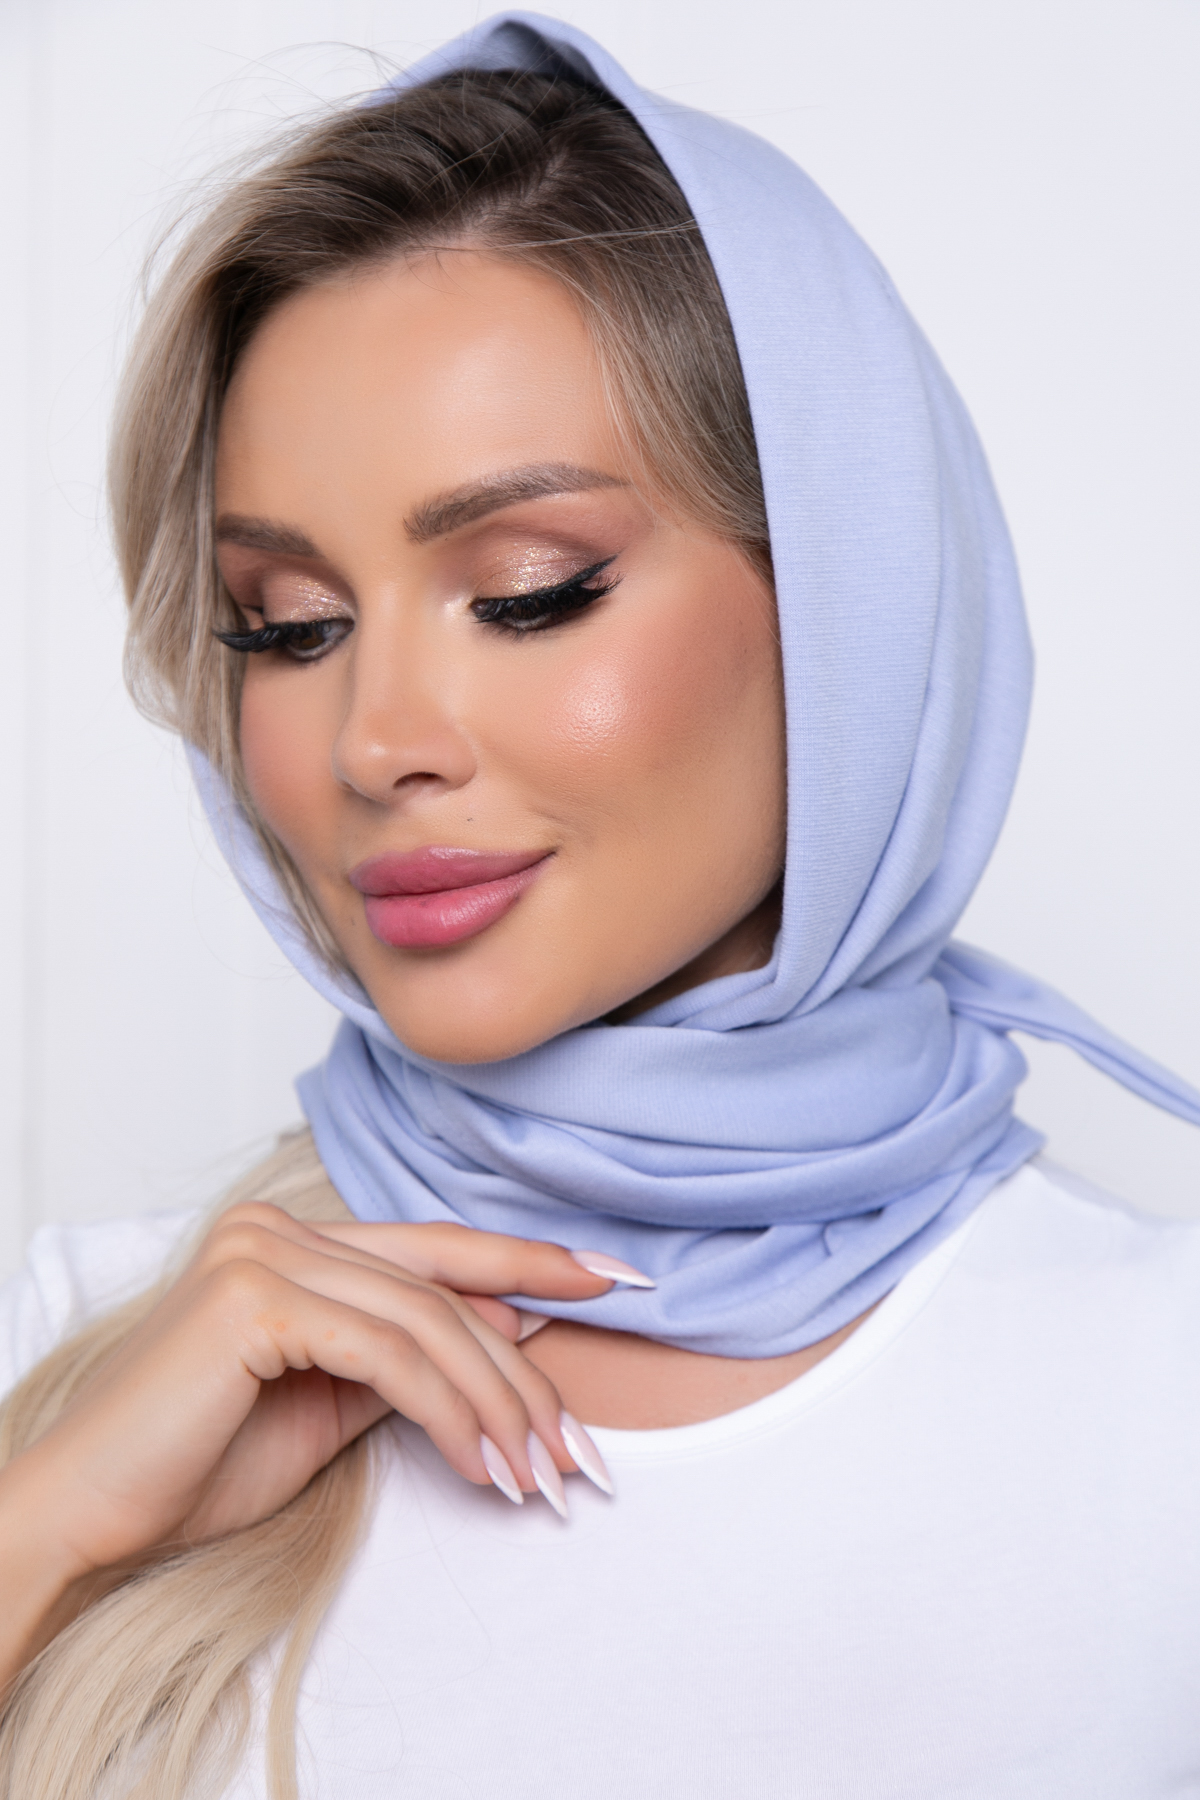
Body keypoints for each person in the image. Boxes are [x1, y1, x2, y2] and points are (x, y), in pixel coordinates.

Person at [1, 14, 1199, 1799]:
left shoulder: (1160, 1394)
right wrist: (43, 1539)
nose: (376, 741)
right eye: (290, 626)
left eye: (530, 591)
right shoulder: (89, 1353)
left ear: (852, 601)